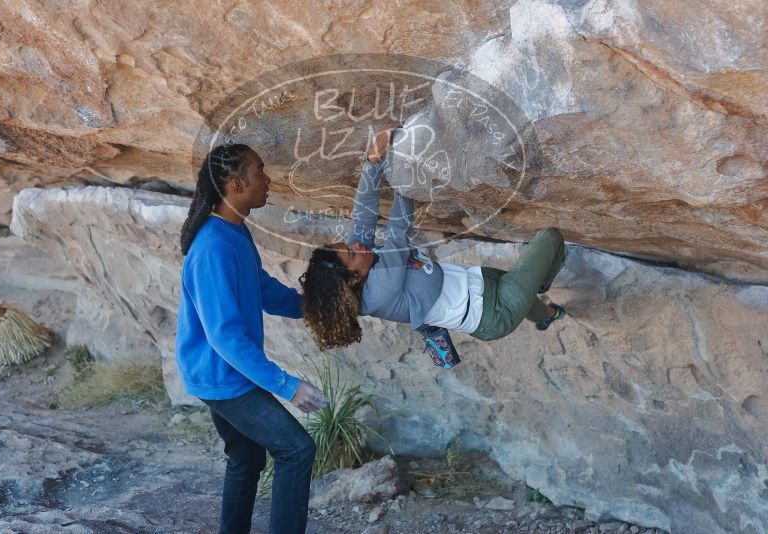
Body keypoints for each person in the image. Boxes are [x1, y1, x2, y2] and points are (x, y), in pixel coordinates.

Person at [299, 125, 567, 368]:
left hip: (479, 281)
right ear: (353, 280)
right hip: (492, 313)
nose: (356, 244)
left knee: (527, 295)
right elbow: (397, 233)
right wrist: (403, 171)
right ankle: (542, 282)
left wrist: (373, 161)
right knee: (551, 239)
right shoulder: (379, 292)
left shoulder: (361, 263)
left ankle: (546, 316)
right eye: (351, 252)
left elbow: (363, 216)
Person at [176, 143, 328, 534]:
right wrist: (288, 386)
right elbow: (224, 337)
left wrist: (311, 306)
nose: (268, 179)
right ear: (235, 182)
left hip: (227, 373)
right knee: (297, 449)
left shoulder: (233, 232)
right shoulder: (212, 247)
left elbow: (260, 287)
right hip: (223, 378)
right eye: (259, 171)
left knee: (246, 459)